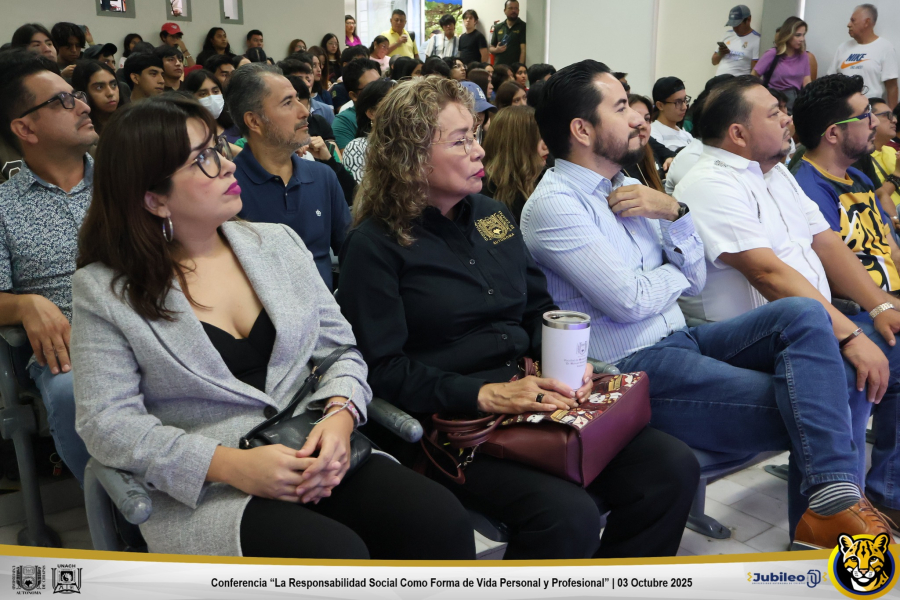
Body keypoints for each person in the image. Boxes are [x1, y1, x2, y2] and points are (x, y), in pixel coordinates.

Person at [71, 93, 475, 560]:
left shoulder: (276, 244)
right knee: (332, 556)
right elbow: (107, 422)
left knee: (437, 519)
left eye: (219, 147)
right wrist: (229, 465)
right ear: (154, 199)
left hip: (314, 444)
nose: (227, 164)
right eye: (202, 160)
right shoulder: (105, 291)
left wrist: (340, 416)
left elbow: (340, 351)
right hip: (212, 487)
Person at [520, 59, 893, 551]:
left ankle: (829, 507)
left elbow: (692, 278)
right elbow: (631, 302)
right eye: (620, 108)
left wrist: (674, 211)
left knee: (805, 315)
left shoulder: (627, 189)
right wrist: (672, 266)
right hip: (632, 367)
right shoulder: (556, 205)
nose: (639, 118)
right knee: (823, 400)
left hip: (683, 341)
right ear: (582, 129)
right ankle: (832, 518)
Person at [337, 74, 699, 559]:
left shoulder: (492, 215)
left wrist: (567, 360)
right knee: (568, 515)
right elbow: (381, 369)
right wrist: (485, 393)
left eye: (477, 135)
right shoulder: (375, 245)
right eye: (461, 141)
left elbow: (536, 308)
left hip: (531, 395)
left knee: (671, 465)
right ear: (411, 156)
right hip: (451, 421)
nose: (479, 151)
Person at [676, 75, 900, 542]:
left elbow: (826, 242)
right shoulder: (711, 183)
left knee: (894, 348)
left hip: (810, 325)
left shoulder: (775, 172)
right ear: (738, 133)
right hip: (748, 341)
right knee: (847, 372)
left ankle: (882, 496)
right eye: (774, 113)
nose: (787, 120)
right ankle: (829, 528)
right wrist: (851, 336)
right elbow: (769, 276)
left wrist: (879, 306)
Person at [0, 49, 99, 485]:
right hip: (72, 347)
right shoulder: (4, 206)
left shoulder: (126, 181)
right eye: (62, 101)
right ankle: (121, 519)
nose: (84, 104)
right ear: (24, 127)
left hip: (154, 323)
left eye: (76, 94)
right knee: (70, 391)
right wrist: (25, 306)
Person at [228, 64, 351, 290]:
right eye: (287, 103)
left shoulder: (322, 176)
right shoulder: (228, 187)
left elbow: (351, 255)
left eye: (298, 99)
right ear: (254, 121)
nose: (304, 111)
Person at [481, 105, 547, 222]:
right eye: (538, 138)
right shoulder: (485, 194)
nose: (546, 146)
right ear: (516, 145)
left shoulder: (545, 179)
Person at [829, 4, 898, 110]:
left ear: (866, 22)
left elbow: (892, 86)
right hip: (844, 110)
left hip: (872, 110)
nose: (848, 24)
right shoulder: (843, 48)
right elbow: (831, 81)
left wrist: (893, 117)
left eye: (853, 20)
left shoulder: (885, 48)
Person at [751, 16, 811, 110]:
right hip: (774, 101)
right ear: (788, 35)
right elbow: (753, 76)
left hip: (795, 101)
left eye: (803, 35)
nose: (802, 39)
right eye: (798, 35)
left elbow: (807, 82)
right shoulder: (772, 54)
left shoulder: (803, 55)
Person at [343, 78, 394, 183]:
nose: (399, 108)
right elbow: (361, 194)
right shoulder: (357, 148)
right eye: (391, 103)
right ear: (371, 113)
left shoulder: (410, 143)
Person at [183, 69, 240, 156]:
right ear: (189, 98)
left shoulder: (236, 123)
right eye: (203, 94)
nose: (211, 97)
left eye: (215, 92)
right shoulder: (187, 134)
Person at [332, 59, 381, 150]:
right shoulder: (343, 122)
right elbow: (348, 161)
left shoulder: (393, 110)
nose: (380, 89)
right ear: (353, 95)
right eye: (371, 87)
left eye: (381, 82)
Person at [621, 94, 665, 191]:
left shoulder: (648, 154)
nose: (644, 125)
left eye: (647, 119)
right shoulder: (611, 168)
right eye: (634, 118)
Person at [72, 60, 124, 136]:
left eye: (113, 85)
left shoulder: (131, 121)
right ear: (83, 92)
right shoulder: (80, 133)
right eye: (99, 87)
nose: (110, 93)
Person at [280, 60, 334, 125]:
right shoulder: (281, 114)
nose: (307, 84)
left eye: (307, 79)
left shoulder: (325, 110)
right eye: (299, 79)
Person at [713, 5, 760, 76]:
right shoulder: (727, 34)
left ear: (748, 20)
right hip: (719, 80)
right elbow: (714, 62)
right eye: (732, 25)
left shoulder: (756, 39)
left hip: (738, 83)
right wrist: (720, 53)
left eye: (737, 24)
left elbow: (755, 71)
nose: (735, 28)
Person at [650, 76, 693, 152]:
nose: (684, 107)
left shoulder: (686, 135)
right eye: (678, 102)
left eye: (685, 100)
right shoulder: (653, 133)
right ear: (660, 105)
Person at [490, 0, 526, 66]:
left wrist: (520, 68)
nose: (513, 11)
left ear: (518, 10)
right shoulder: (498, 27)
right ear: (505, 10)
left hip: (514, 68)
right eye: (510, 8)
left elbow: (523, 50)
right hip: (499, 67)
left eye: (516, 8)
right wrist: (496, 50)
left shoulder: (523, 26)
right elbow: (491, 47)